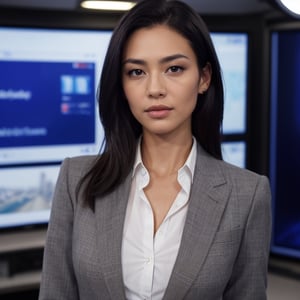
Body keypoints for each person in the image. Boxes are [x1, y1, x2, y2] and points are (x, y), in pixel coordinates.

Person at [38, 0, 272, 299]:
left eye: (174, 68)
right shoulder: (76, 179)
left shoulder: (247, 195)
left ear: (203, 78)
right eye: (136, 72)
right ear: (121, 85)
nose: (154, 89)